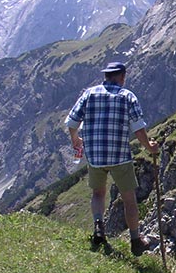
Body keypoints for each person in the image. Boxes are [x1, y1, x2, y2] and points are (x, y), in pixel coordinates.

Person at [65, 61, 159, 255]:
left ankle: (99, 226)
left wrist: (76, 140)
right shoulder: (127, 96)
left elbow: (73, 121)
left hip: (95, 156)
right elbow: (138, 127)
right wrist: (149, 147)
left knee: (98, 193)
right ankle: (136, 240)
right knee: (129, 199)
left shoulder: (89, 94)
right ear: (122, 77)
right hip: (119, 156)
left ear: (106, 76)